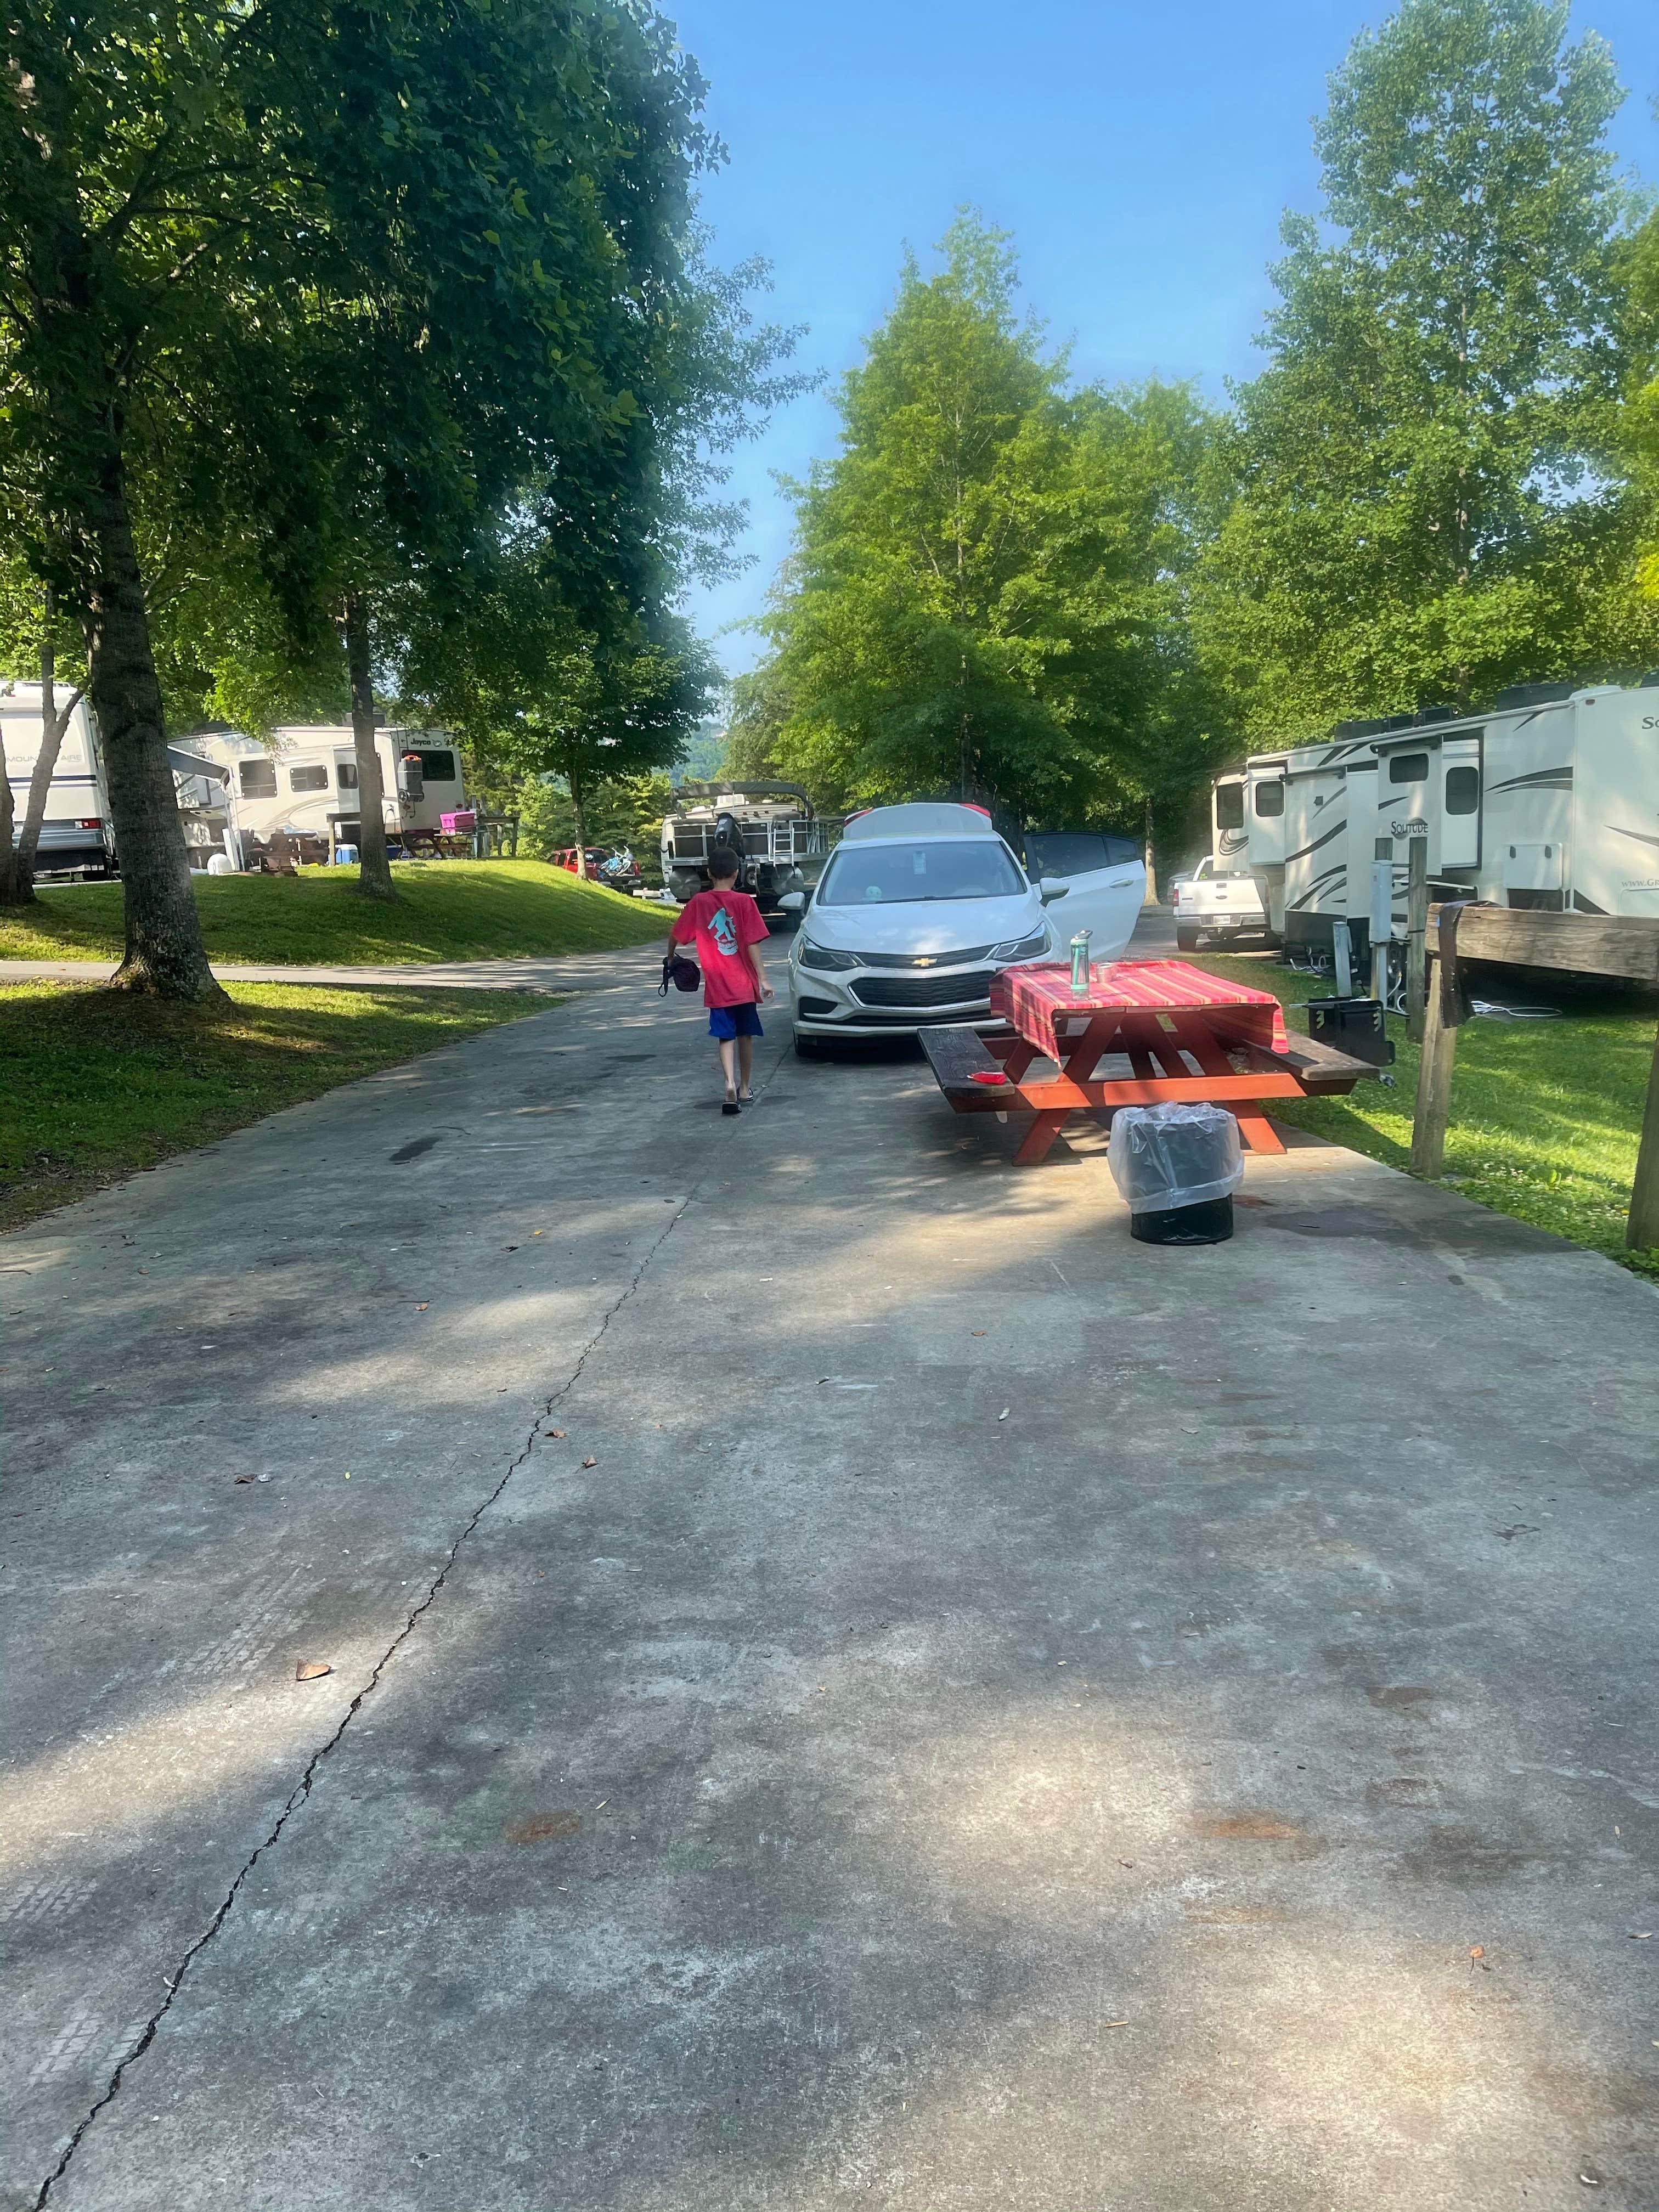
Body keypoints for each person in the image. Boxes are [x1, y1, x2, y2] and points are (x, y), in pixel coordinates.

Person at [668, 845, 774, 1114]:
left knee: (725, 1037)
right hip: (744, 985)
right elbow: (752, 943)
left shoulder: (699, 903)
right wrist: (764, 980)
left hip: (718, 986)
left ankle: (728, 1083)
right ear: (737, 874)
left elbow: (677, 934)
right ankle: (745, 1088)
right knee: (745, 1035)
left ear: (708, 872)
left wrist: (670, 958)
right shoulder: (745, 902)